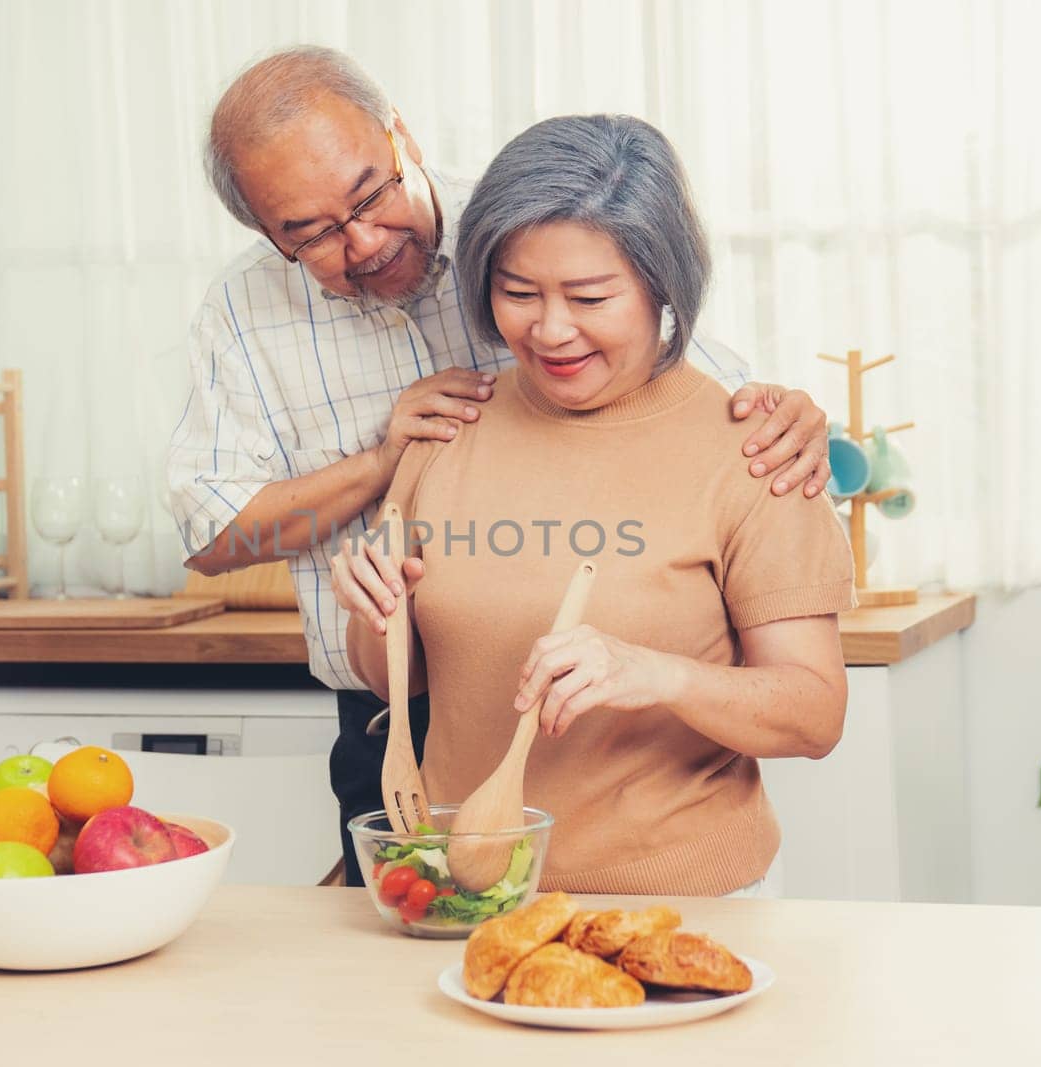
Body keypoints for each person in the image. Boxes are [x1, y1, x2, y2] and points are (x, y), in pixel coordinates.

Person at [167, 46, 835, 887]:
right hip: (394, 728)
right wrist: (381, 466)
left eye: (371, 196)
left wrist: (797, 423)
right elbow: (216, 539)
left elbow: (692, 387)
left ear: (398, 136)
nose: (365, 240)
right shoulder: (246, 315)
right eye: (312, 235)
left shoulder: (537, 215)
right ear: (268, 233)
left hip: (660, 845)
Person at [335, 113, 855, 897]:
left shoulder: (755, 448)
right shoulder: (449, 428)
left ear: (661, 287)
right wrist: (379, 610)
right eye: (517, 292)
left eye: (589, 296)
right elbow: (389, 683)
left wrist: (658, 675)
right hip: (465, 889)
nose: (549, 329)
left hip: (680, 901)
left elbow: (814, 713)